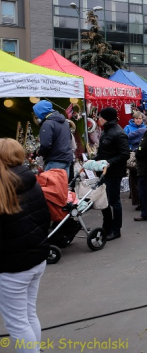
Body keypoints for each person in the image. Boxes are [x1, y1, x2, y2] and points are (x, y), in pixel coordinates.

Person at [0, 139, 50, 353]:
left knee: (18, 323)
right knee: (28, 314)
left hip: (13, 265)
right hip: (36, 258)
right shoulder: (31, 180)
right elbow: (44, 218)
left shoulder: (6, 186)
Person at [94, 107, 130, 241]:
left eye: (100, 117)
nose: (98, 119)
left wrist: (108, 162)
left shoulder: (117, 133)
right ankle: (106, 226)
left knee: (114, 201)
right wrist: (94, 160)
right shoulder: (107, 131)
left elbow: (125, 154)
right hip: (104, 171)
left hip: (113, 172)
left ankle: (116, 229)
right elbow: (105, 151)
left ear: (105, 118)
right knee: (104, 200)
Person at [32, 101, 73, 178]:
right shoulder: (64, 122)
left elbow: (45, 144)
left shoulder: (47, 123)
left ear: (40, 111)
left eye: (36, 113)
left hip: (55, 161)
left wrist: (38, 152)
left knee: (51, 188)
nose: (36, 115)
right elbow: (69, 139)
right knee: (62, 188)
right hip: (67, 159)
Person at [124, 111, 146, 211]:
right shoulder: (128, 127)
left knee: (139, 176)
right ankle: (134, 195)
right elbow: (125, 139)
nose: (138, 120)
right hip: (132, 152)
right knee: (132, 174)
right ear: (133, 119)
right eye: (136, 118)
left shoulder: (145, 128)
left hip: (142, 154)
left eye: (140, 118)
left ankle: (139, 198)